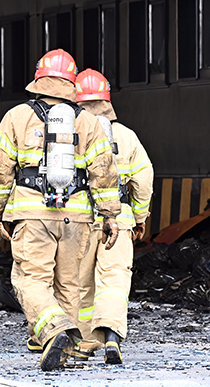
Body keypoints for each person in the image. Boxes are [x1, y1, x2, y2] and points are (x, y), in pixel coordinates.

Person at [0, 49, 121, 371]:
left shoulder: (18, 116)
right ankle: (70, 350)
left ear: (39, 78)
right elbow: (105, 171)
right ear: (71, 84)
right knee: (70, 284)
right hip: (78, 215)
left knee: (31, 279)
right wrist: (111, 215)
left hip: (32, 214)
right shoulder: (87, 121)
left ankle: (53, 329)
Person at [74, 69, 154, 364]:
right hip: (119, 221)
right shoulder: (126, 137)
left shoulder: (68, 135)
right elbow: (144, 180)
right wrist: (141, 215)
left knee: (80, 282)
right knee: (114, 279)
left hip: (80, 219)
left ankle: (83, 342)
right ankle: (110, 337)